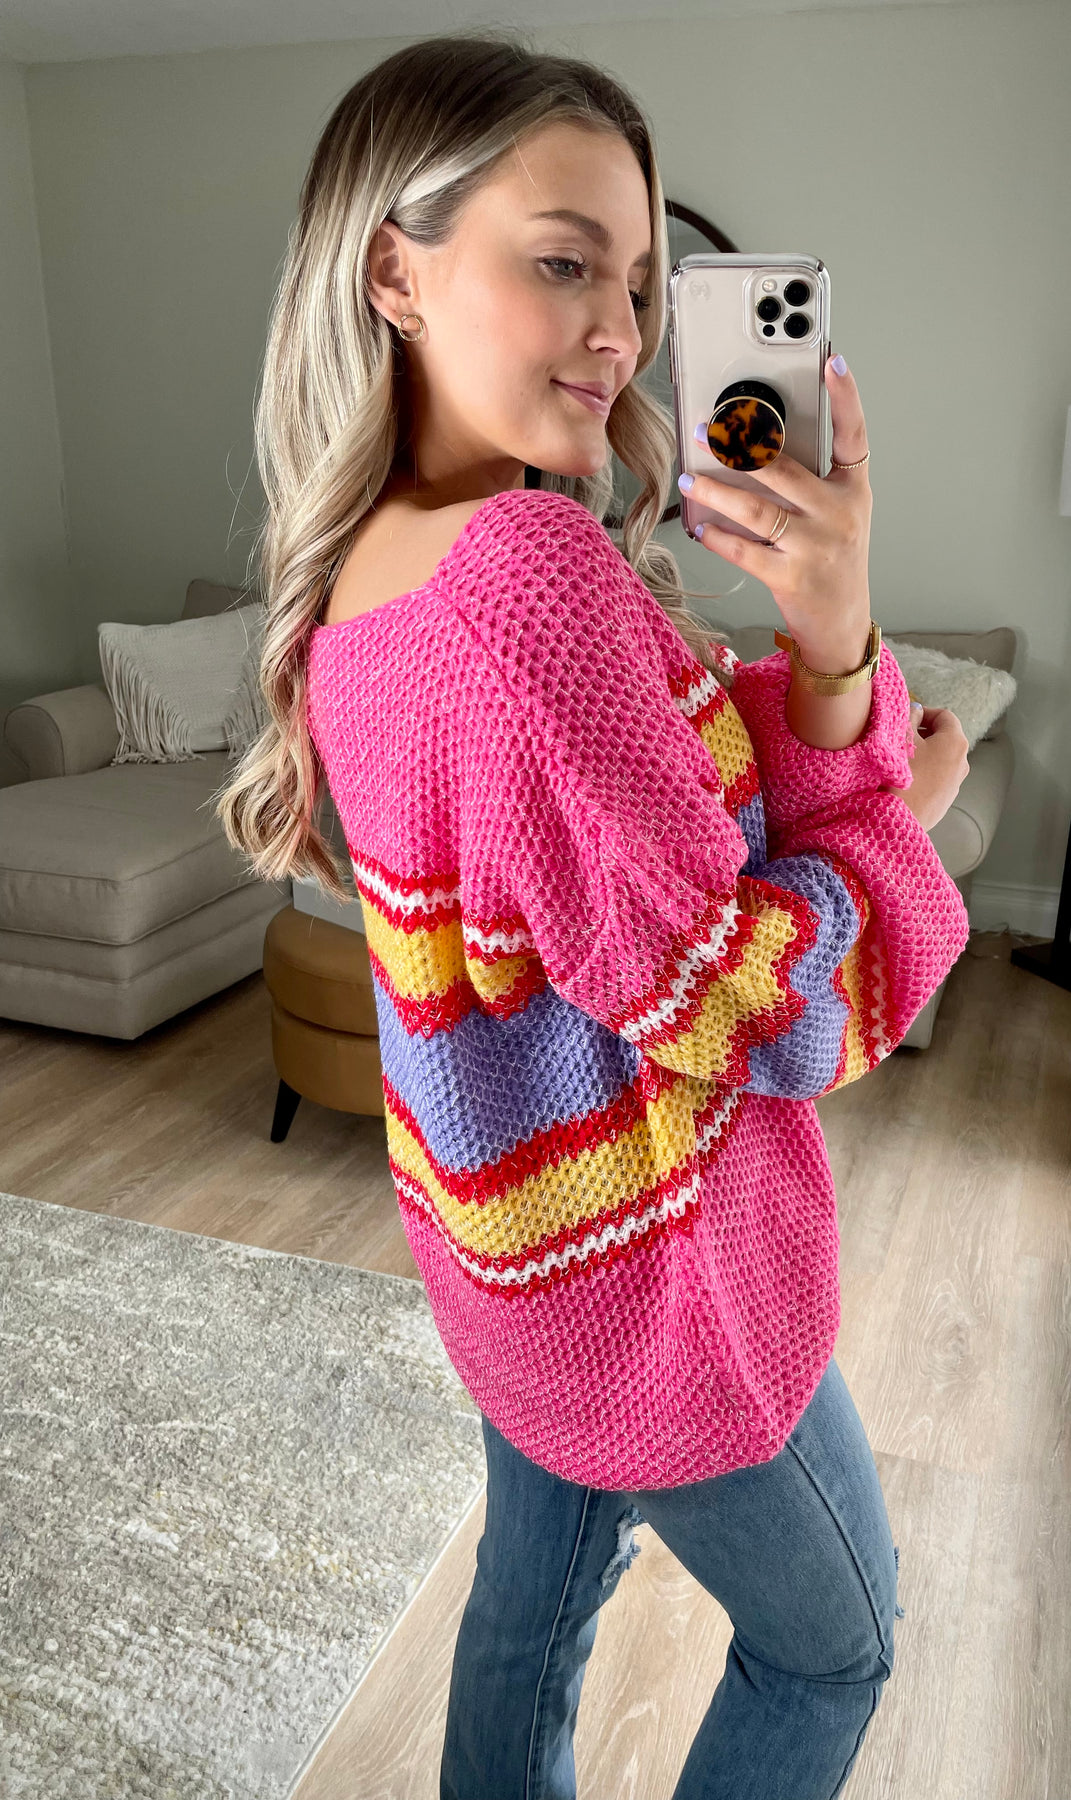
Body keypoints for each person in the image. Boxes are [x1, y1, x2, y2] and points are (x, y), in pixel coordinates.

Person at [215, 29, 971, 1800]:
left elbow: (629, 859)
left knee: (533, 1608)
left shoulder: (363, 581)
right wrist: (895, 813)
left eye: (632, 281)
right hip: (661, 1279)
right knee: (834, 1644)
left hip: (521, 1265)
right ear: (394, 272)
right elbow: (747, 1003)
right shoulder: (525, 579)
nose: (620, 330)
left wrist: (825, 655)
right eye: (563, 262)